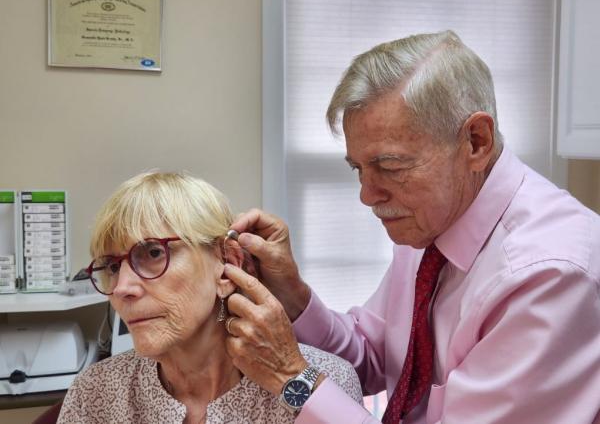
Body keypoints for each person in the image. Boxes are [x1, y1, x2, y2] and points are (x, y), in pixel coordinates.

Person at [222, 30, 600, 423]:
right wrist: (291, 295)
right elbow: (374, 358)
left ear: (476, 141)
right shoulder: (430, 222)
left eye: (390, 167)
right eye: (359, 169)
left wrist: (290, 377)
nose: (367, 196)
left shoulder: (550, 274)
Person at [57, 172, 362, 423]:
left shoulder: (323, 386)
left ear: (227, 264)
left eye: (152, 253)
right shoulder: (94, 393)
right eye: (112, 266)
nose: (122, 287)